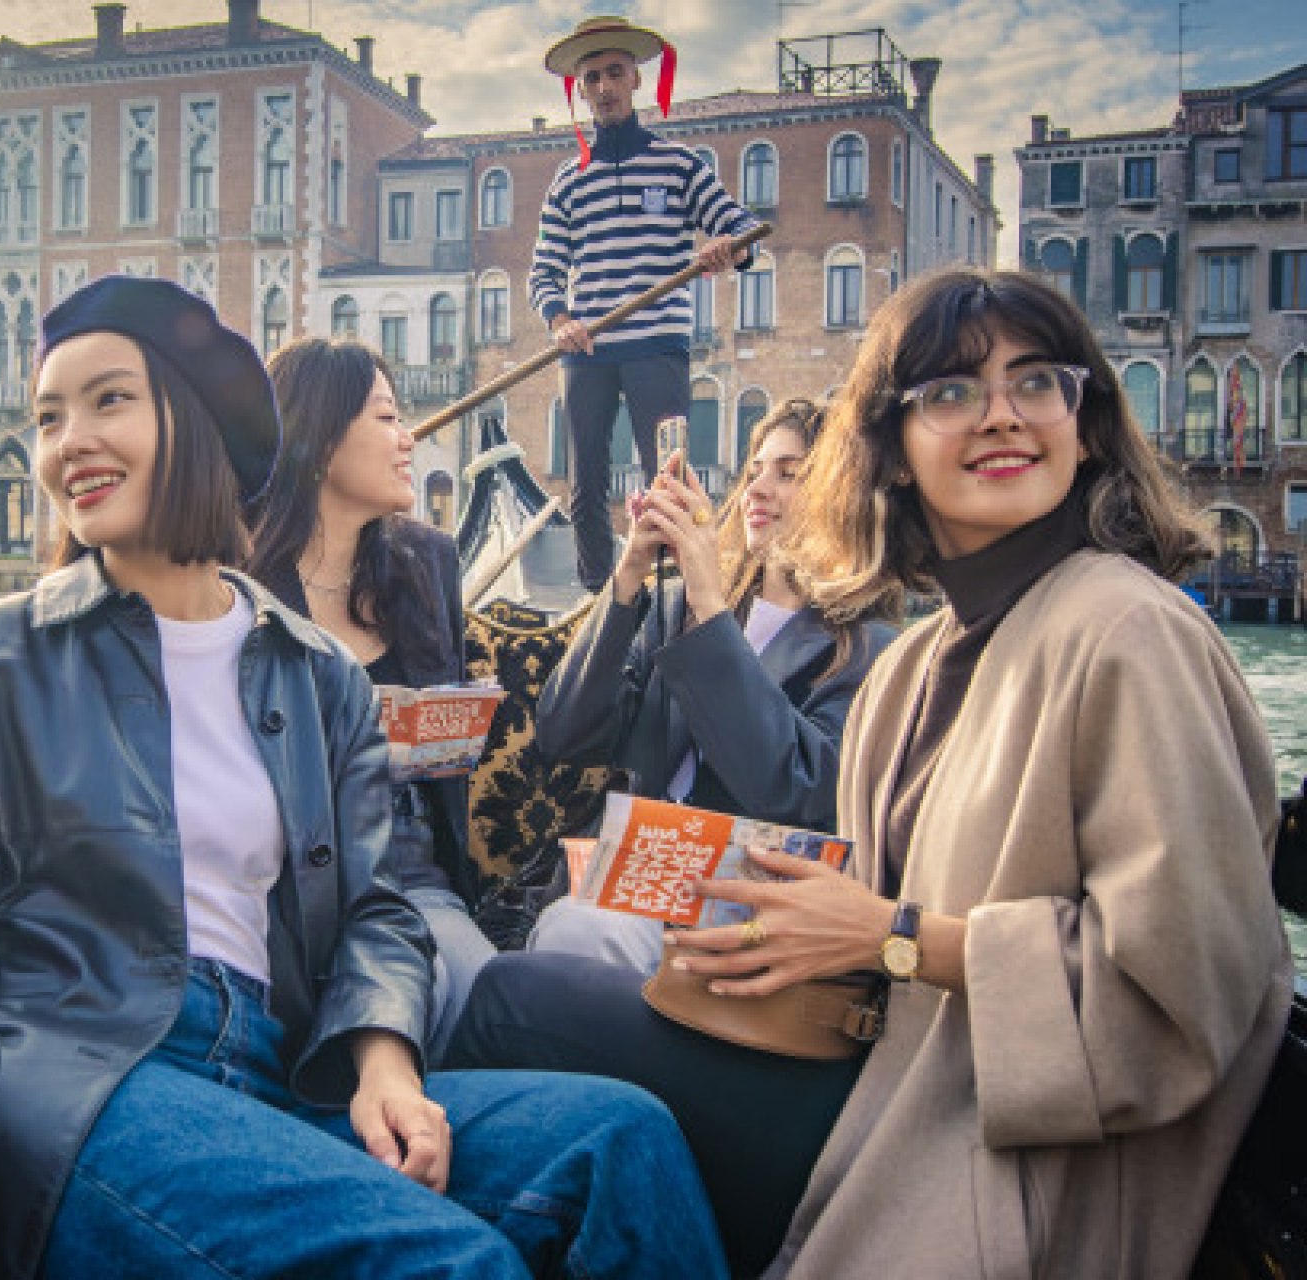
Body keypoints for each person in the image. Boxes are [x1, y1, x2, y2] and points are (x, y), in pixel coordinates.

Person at [0, 277, 727, 1280]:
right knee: (454, 1263)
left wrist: (384, 1058)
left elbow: (377, 908)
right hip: (84, 1078)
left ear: (199, 421)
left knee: (624, 1142)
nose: (69, 440)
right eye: (48, 416)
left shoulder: (318, 672)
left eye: (109, 399)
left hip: (286, 1064)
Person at [454, 267, 1295, 1279]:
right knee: (541, 1019)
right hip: (869, 1065)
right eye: (952, 391)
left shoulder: (1128, 630)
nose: (1001, 414)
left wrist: (892, 935)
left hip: (997, 1149)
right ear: (891, 452)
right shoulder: (926, 660)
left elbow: (1182, 995)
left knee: (515, 1003)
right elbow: (571, 734)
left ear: (1085, 425)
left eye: (1036, 382)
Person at [526, 398, 896, 976]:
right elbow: (564, 733)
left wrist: (708, 599)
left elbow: (791, 787)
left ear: (842, 496)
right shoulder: (676, 610)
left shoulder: (869, 650)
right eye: (755, 472)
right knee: (553, 947)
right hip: (626, 886)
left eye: (789, 474)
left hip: (740, 918)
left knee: (570, 939)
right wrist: (628, 576)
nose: (758, 490)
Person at [249, 336, 494, 1066]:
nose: (407, 437)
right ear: (321, 440)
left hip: (412, 868)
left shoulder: (428, 562)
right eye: (386, 418)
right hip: (290, 885)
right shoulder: (239, 585)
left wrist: (447, 731)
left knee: (477, 991)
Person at [532, 15, 760, 592]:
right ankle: (600, 600)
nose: (604, 87)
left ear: (635, 79)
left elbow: (741, 227)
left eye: (614, 73)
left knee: (668, 477)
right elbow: (544, 271)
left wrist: (726, 247)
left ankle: (676, 595)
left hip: (657, 342)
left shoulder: (679, 165)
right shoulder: (567, 181)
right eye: (592, 78)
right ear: (581, 90)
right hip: (587, 348)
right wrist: (559, 319)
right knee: (585, 482)